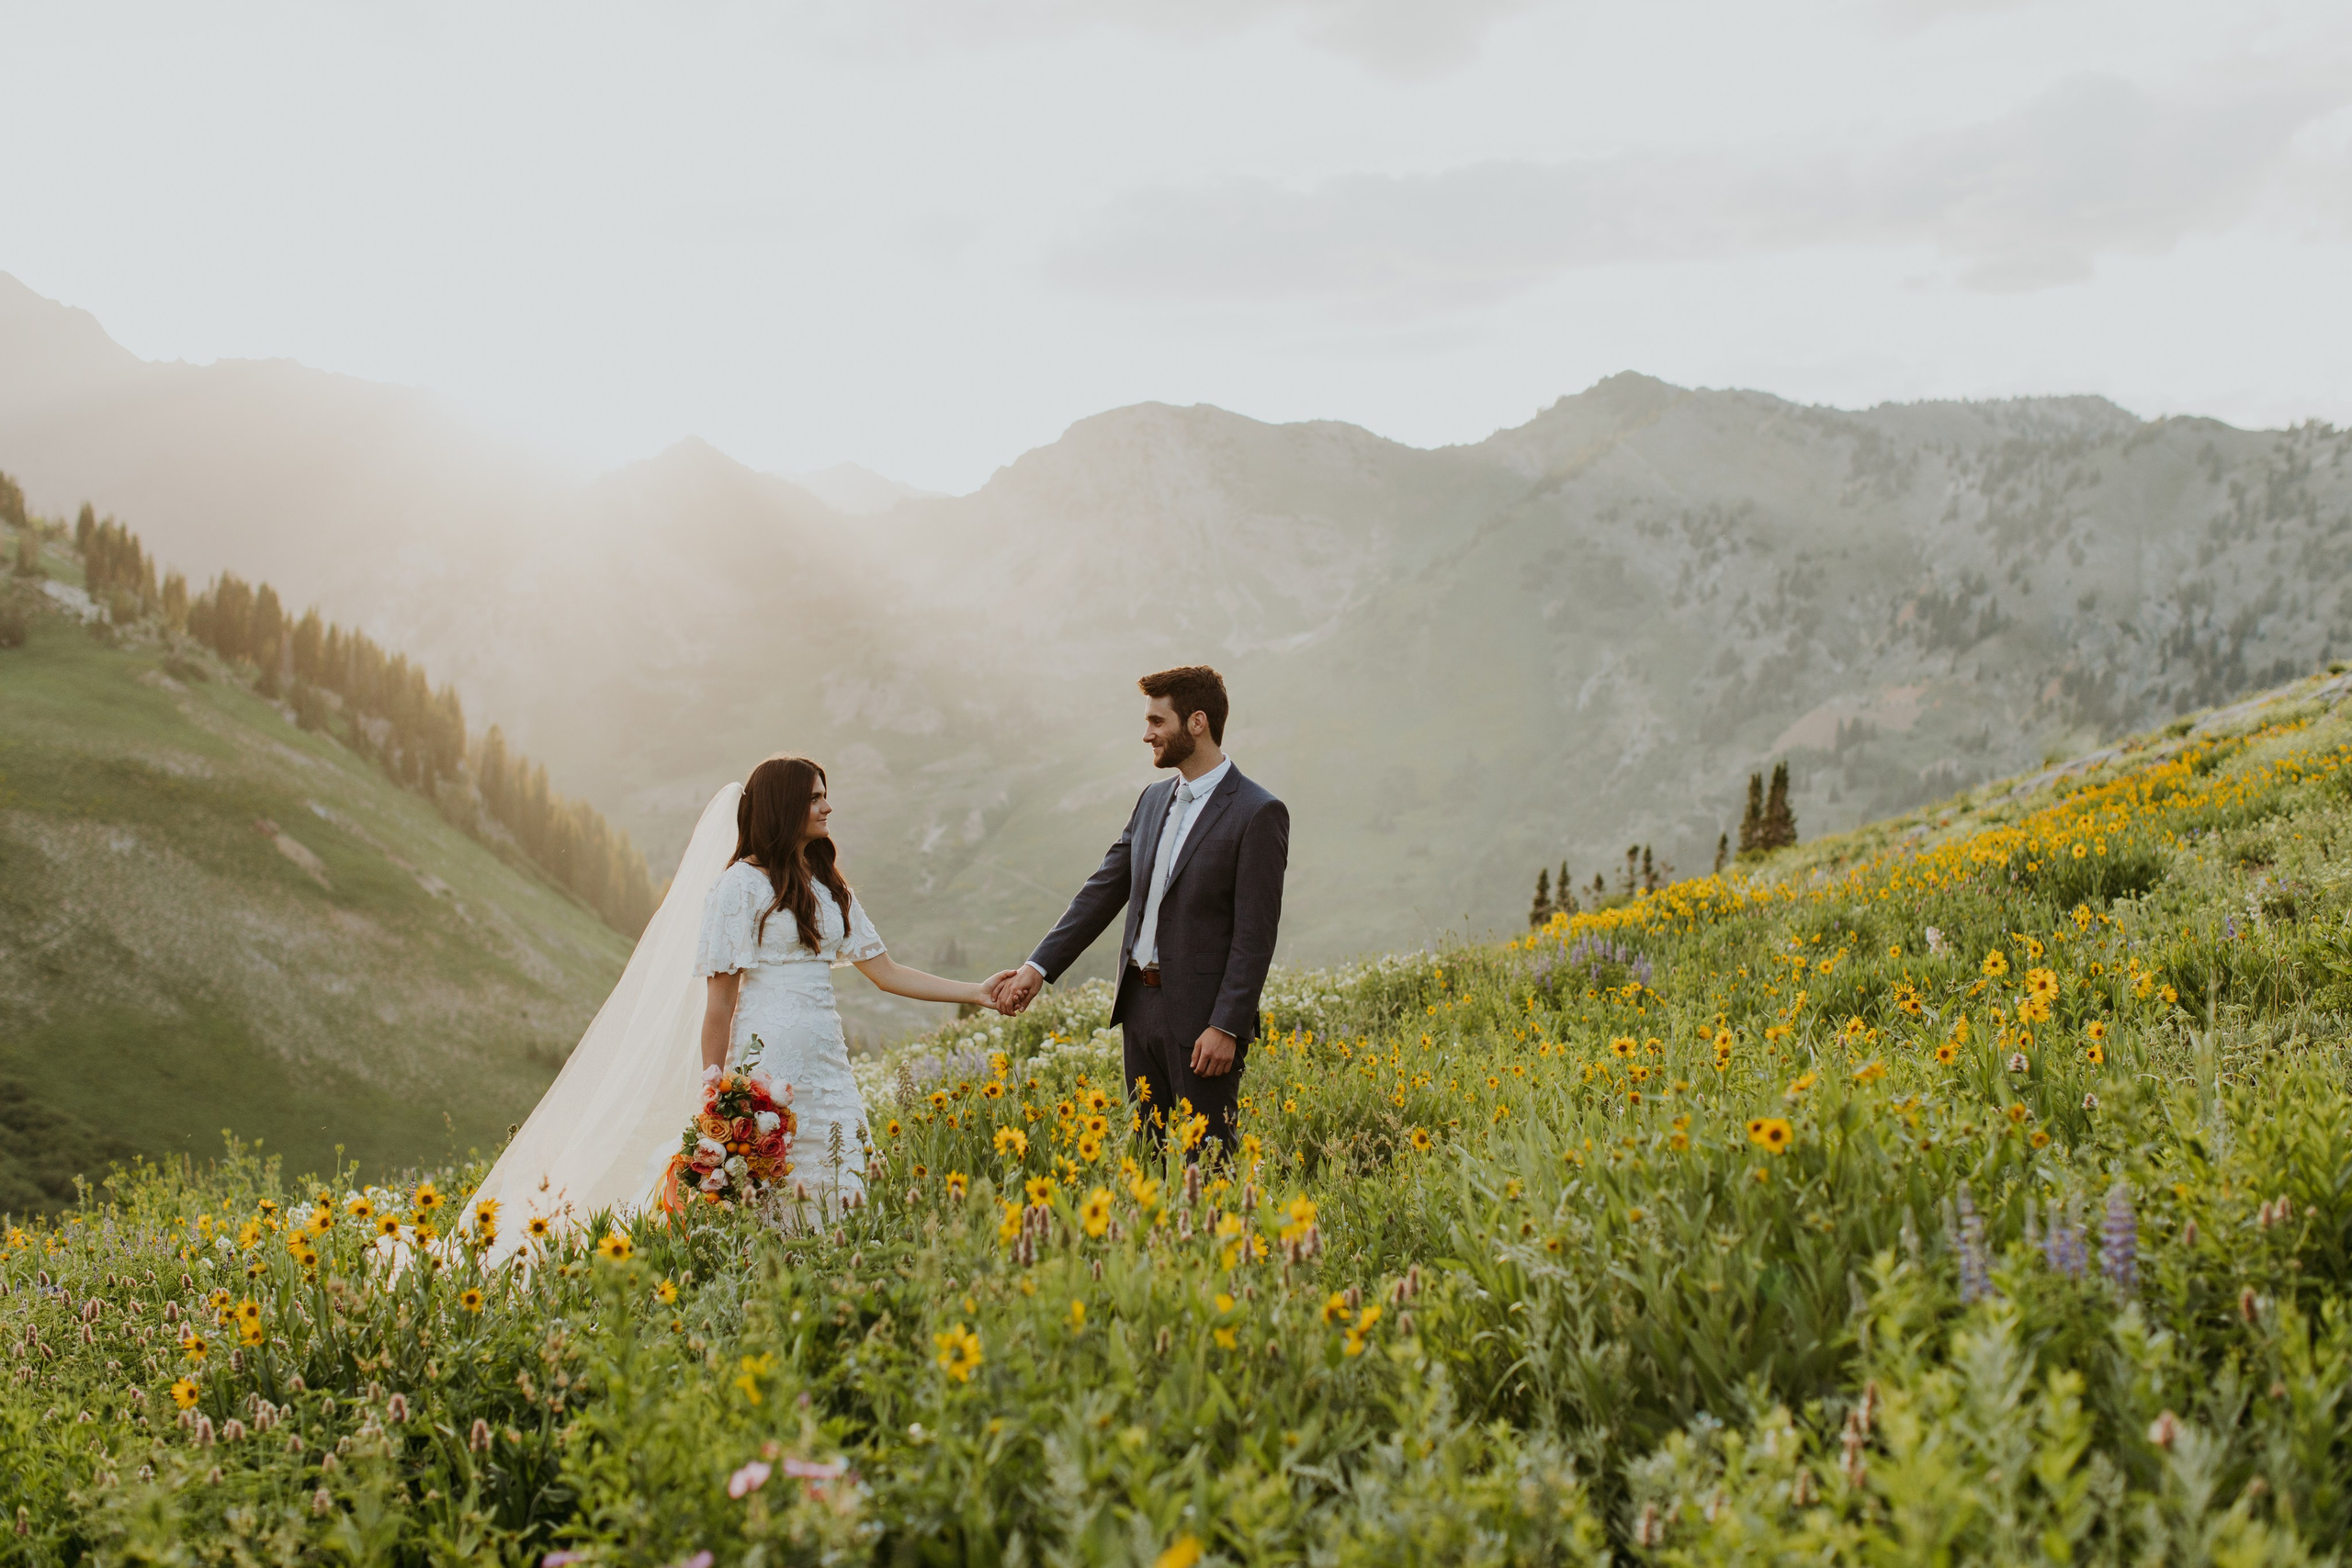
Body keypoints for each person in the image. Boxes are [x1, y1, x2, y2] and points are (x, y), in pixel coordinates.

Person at [469, 754, 1013, 1249]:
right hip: (765, 1069)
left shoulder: (827, 887)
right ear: (784, 806)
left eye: (825, 795)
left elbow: (887, 973)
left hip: (830, 1070)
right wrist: (717, 1084)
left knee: (844, 1188)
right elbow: (719, 1003)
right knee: (773, 1202)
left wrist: (978, 993)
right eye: (815, 797)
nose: (828, 806)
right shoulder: (738, 887)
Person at [991, 666, 1287, 1156]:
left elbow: (1255, 935)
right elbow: (1103, 889)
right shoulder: (1153, 800)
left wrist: (1226, 1026)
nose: (1146, 733)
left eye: (1156, 721)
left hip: (1204, 1024)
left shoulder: (1257, 812)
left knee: (1206, 1166)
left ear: (1197, 722)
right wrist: (1037, 968)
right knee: (1146, 1160)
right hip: (1139, 1010)